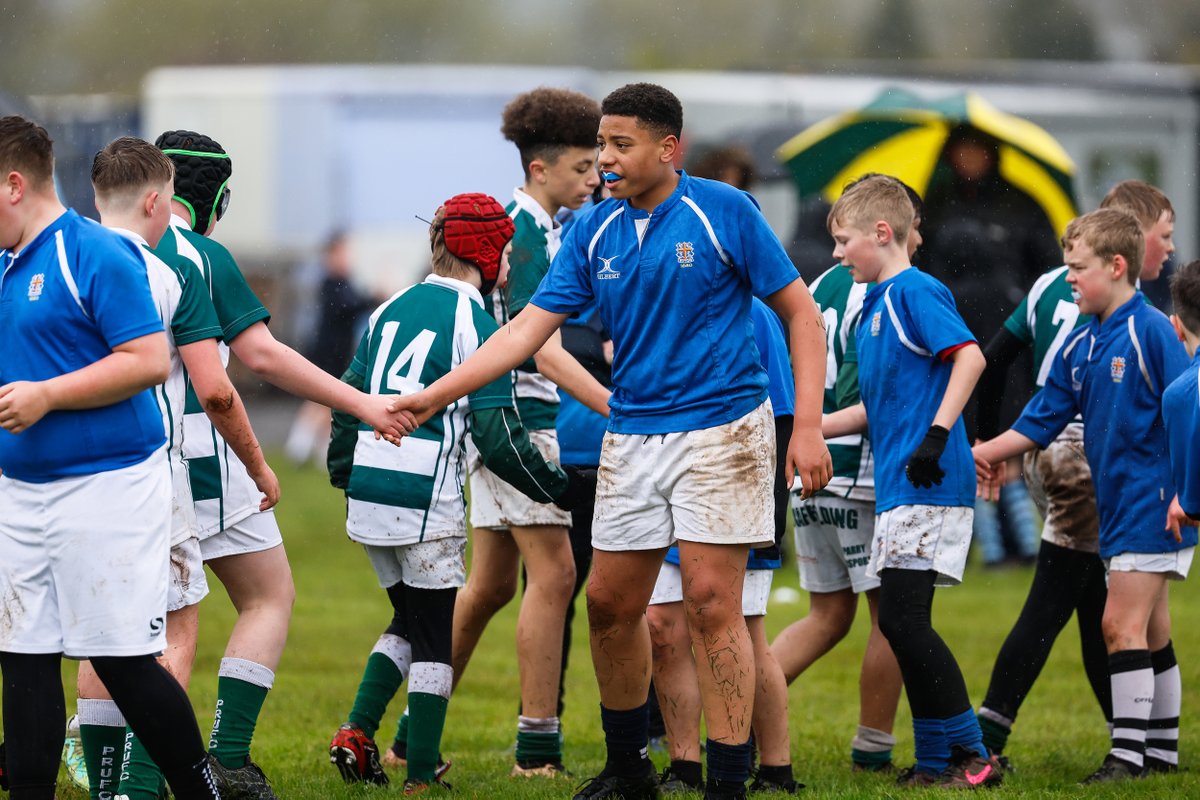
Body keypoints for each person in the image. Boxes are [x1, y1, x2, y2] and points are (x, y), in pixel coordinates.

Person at [388, 83, 831, 800]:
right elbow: (527, 333)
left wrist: (806, 427)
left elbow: (801, 317)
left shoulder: (724, 211)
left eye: (622, 145)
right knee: (608, 605)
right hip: (634, 435)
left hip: (723, 431)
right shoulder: (594, 230)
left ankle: (726, 780)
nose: (606, 160)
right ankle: (628, 768)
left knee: (713, 603)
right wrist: (433, 395)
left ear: (668, 148)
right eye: (602, 145)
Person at [151, 129, 414, 799]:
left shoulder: (94, 246)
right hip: (196, 456)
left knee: (121, 623)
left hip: (105, 455)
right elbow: (259, 358)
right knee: (260, 597)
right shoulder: (200, 254)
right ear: (213, 198)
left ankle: (95, 758)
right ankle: (219, 763)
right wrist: (360, 402)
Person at [326, 193, 596, 793]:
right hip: (426, 501)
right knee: (432, 640)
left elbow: (350, 397)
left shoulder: (390, 305)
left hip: (369, 489)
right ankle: (421, 773)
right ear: (495, 258)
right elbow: (498, 436)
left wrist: (344, 471)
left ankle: (357, 730)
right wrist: (560, 489)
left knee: (408, 617)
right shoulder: (478, 323)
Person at [0, 115, 219, 800]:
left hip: (108, 488)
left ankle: (199, 790)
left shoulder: (95, 253)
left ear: (12, 185)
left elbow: (150, 360)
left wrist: (47, 397)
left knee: (122, 662)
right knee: (25, 660)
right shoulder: (6, 264)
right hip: (20, 491)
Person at [72, 137, 280, 800]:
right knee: (174, 622)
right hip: (152, 471)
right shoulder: (181, 265)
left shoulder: (59, 254)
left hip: (65, 477)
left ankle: (96, 781)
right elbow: (224, 384)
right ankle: (159, 778)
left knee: (85, 633)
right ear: (163, 200)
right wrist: (262, 466)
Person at [973, 207, 1192, 783]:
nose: (1069, 279)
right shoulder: (1082, 341)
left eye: (1079, 269)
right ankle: (1161, 758)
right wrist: (984, 452)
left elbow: (1188, 408)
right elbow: (1043, 416)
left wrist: (1185, 493)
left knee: (1118, 626)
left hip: (1154, 504)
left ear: (1118, 267)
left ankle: (1127, 760)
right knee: (1149, 629)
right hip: (1117, 507)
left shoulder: (1150, 331)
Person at [445, 87, 610, 779]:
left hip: (496, 418)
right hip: (520, 420)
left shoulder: (534, 224)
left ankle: (399, 727)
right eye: (581, 167)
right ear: (540, 169)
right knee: (558, 573)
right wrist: (614, 405)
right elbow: (541, 349)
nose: (594, 178)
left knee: (487, 587)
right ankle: (536, 752)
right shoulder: (528, 230)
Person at [820, 174, 998, 788]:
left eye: (844, 241)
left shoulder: (916, 290)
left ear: (882, 232)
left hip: (930, 478)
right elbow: (875, 405)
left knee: (903, 621)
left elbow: (970, 357)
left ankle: (973, 756)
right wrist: (805, 429)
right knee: (899, 623)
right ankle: (931, 763)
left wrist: (938, 435)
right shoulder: (872, 304)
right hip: (900, 484)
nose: (837, 254)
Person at [770, 176, 918, 775]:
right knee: (891, 617)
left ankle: (737, 716)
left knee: (826, 615)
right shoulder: (880, 287)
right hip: (857, 469)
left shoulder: (821, 284)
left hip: (808, 467)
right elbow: (875, 383)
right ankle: (873, 752)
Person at [647, 297, 799, 794]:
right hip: (670, 487)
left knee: (744, 632)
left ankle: (776, 770)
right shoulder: (673, 305)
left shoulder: (755, 312)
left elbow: (782, 415)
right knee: (662, 627)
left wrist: (770, 507)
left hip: (736, 491)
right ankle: (685, 768)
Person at [284, 230, 378, 467]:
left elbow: (356, 303)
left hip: (337, 352)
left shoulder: (343, 282)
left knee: (330, 402)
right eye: (342, 253)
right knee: (319, 400)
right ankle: (297, 447)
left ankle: (320, 452)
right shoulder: (330, 282)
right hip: (326, 351)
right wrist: (374, 296)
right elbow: (350, 306)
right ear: (331, 255)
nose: (347, 258)